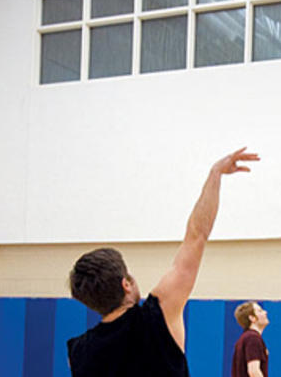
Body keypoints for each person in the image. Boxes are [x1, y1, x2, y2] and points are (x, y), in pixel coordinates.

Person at [66, 147, 260, 377]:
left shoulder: (78, 353)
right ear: (126, 284)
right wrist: (215, 174)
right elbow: (196, 236)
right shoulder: (159, 313)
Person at [231, 301, 270, 377]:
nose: (265, 312)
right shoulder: (253, 338)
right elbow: (254, 372)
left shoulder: (245, 338)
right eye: (260, 311)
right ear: (252, 318)